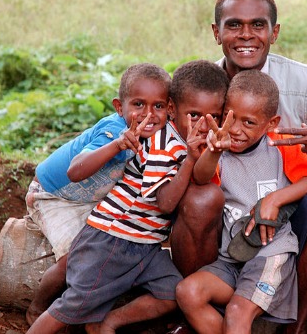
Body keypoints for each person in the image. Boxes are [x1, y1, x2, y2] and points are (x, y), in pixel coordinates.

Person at [169, 0, 307, 334]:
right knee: (201, 198)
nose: (246, 35)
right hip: (225, 229)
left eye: (258, 25)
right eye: (234, 25)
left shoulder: (305, 88)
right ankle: (203, 308)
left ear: (274, 32)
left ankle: (296, 324)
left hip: (279, 227)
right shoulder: (203, 85)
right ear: (217, 33)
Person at [26, 59, 230, 334]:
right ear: (175, 110)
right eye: (194, 115)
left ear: (166, 108)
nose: (204, 125)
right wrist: (191, 161)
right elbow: (166, 203)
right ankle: (36, 316)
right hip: (112, 238)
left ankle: (107, 322)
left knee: (171, 292)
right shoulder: (162, 145)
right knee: (74, 304)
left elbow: (202, 177)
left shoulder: (183, 141)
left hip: (145, 243)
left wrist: (206, 154)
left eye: (213, 117)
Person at [176, 70, 307, 333]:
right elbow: (201, 178)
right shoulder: (218, 146)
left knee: (237, 313)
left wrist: (275, 199)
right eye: (229, 117)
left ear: (271, 123)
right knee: (188, 292)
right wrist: (214, 151)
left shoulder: (280, 145)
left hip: (270, 255)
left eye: (248, 123)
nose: (235, 130)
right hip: (231, 258)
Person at [24, 63, 172, 324]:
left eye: (158, 106)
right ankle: (37, 307)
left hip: (93, 199)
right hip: (53, 195)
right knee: (73, 257)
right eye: (138, 104)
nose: (148, 114)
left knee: (102, 249)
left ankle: (91, 313)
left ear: (169, 108)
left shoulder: (161, 138)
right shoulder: (114, 132)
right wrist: (117, 145)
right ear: (119, 107)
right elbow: (75, 171)